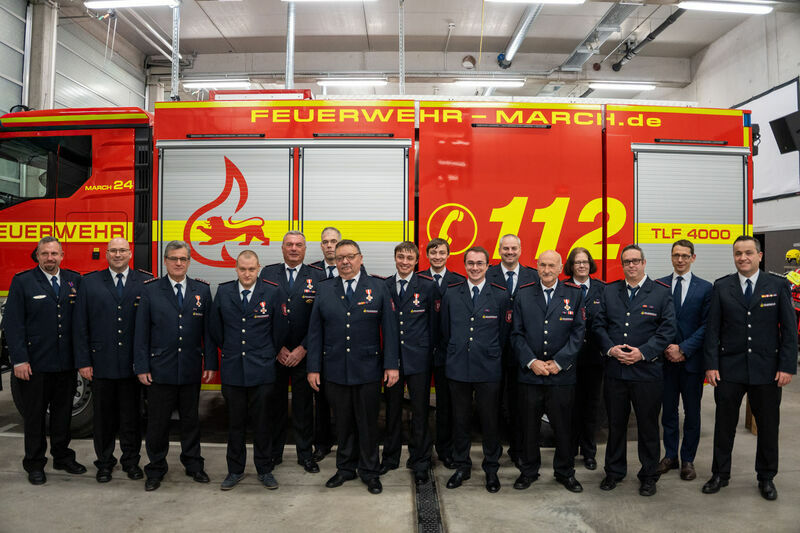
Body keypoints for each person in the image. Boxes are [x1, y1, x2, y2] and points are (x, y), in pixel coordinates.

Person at [702, 235, 797, 501]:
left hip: (767, 370)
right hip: (729, 370)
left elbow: (790, 330)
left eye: (748, 253)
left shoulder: (777, 285)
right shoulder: (722, 286)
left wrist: (786, 366)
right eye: (738, 253)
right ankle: (720, 474)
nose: (742, 258)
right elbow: (712, 330)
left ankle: (766, 477)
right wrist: (711, 365)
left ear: (759, 256)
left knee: (768, 427)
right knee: (724, 426)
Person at [306, 239, 399, 494]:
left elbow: (390, 330)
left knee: (368, 423)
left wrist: (391, 365)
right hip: (335, 368)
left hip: (368, 369)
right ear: (334, 262)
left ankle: (370, 471)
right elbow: (315, 332)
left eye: (350, 256)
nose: (345, 262)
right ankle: (345, 468)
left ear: (360, 258)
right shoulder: (325, 289)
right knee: (343, 423)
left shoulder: (378, 287)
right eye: (340, 258)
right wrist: (313, 368)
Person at [592, 244, 676, 497]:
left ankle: (649, 475)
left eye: (635, 261)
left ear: (644, 262)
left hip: (647, 374)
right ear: (622, 264)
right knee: (615, 425)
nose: (631, 265)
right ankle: (614, 471)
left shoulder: (661, 292)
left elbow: (668, 329)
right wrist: (610, 349)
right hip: (616, 372)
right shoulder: (609, 291)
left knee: (648, 427)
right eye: (627, 261)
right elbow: (598, 325)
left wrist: (643, 352)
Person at [133, 240, 217, 492]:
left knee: (191, 421)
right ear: (165, 261)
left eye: (183, 259)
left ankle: (193, 464)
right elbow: (141, 332)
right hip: (160, 368)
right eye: (173, 258)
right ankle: (156, 468)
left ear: (189, 262)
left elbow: (208, 332)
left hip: (190, 367)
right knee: (158, 423)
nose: (178, 263)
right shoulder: (150, 290)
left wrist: (210, 362)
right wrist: (142, 366)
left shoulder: (202, 290)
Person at [2, 236, 86, 485]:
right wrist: (19, 360)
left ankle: (62, 456)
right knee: (35, 417)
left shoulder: (74, 280)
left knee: (63, 415)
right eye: (45, 254)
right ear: (37, 255)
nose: (50, 258)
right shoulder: (23, 282)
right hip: (35, 365)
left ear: (62, 255)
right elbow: (13, 324)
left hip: (66, 364)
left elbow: (81, 322)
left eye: (54, 253)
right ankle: (34, 463)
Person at [73, 237, 153, 483]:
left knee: (132, 418)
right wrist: (83, 361)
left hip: (132, 364)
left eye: (122, 250)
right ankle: (105, 463)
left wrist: (146, 362)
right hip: (101, 363)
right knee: (103, 419)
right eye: (113, 251)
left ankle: (131, 462)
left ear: (131, 253)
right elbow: (80, 325)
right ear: (106, 254)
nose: (118, 255)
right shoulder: (89, 282)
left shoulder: (146, 282)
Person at [511, 250, 585, 493]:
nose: (546, 270)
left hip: (561, 376)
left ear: (561, 267)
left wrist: (559, 362)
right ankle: (528, 471)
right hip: (530, 375)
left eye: (552, 265)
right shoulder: (523, 294)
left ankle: (565, 472)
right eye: (542, 265)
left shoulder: (574, 294)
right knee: (528, 427)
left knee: (564, 427)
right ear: (537, 266)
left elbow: (578, 333)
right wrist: (531, 361)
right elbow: (516, 334)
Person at [211, 250, 285, 490]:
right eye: (242, 269)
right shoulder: (224, 292)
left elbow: (279, 330)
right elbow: (216, 329)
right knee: (235, 424)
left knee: (263, 424)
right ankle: (235, 470)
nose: (247, 274)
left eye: (251, 269)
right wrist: (232, 349)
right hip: (233, 369)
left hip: (262, 370)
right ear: (236, 268)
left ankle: (265, 470)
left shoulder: (272, 292)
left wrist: (265, 353)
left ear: (258, 268)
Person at [440, 246, 512, 493]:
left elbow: (504, 334)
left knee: (490, 420)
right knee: (460, 420)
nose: (475, 268)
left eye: (480, 263)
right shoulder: (451, 294)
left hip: (488, 368)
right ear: (464, 265)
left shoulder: (500, 295)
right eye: (470, 263)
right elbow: (445, 330)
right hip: (458, 366)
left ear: (488, 265)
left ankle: (491, 469)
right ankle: (462, 466)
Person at [260, 231, 325, 473]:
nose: (294, 249)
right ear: (282, 248)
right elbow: (262, 314)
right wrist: (277, 348)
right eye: (289, 244)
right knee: (274, 406)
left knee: (303, 408)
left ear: (305, 249)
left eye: (299, 245)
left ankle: (305, 454)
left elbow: (320, 319)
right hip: (275, 354)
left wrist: (303, 348)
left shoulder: (317, 276)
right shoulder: (268, 274)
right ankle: (274, 453)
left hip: (304, 354)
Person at [381, 241, 438, 484]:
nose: (404, 262)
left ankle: (420, 460)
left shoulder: (428, 286)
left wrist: (429, 355)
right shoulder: (383, 286)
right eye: (401, 257)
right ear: (395, 258)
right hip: (391, 360)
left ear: (416, 261)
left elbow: (434, 325)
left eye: (409, 258)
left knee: (420, 411)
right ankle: (390, 457)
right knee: (392, 410)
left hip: (419, 360)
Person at [656, 240, 712, 482]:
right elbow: (654, 322)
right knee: (668, 412)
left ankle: (688, 459)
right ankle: (670, 456)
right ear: (671, 257)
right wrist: (667, 348)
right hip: (665, 362)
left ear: (693, 258)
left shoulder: (706, 288)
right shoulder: (659, 286)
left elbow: (707, 325)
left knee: (692, 413)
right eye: (676, 255)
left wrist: (684, 349)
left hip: (691, 363)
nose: (680, 260)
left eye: (685, 256)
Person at [486, 234, 539, 466]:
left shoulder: (533, 276)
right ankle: (493, 452)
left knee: (520, 405)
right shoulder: (488, 274)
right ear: (499, 250)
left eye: (513, 248)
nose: (509, 252)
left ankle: (518, 450)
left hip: (523, 352)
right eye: (505, 248)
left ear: (520, 250)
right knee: (492, 405)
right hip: (493, 351)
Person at [425, 237, 464, 469]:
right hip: (421, 352)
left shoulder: (458, 281)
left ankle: (445, 449)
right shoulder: (419, 279)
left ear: (448, 255)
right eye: (433, 252)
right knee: (419, 405)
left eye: (441, 253)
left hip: (449, 354)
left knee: (446, 405)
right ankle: (421, 450)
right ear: (427, 255)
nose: (437, 257)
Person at [564, 247, 605, 471]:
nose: (581, 265)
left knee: (591, 408)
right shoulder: (562, 288)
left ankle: (589, 452)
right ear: (571, 266)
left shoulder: (602, 288)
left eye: (585, 262)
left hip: (594, 360)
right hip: (568, 359)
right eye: (577, 262)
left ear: (590, 265)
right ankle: (569, 451)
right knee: (570, 408)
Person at [309, 226, 342, 461]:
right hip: (319, 346)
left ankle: (345, 443)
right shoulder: (310, 273)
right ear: (321, 245)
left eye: (333, 241)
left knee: (344, 401)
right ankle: (321, 444)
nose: (329, 245)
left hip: (342, 346)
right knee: (320, 399)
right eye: (325, 242)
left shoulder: (352, 268)